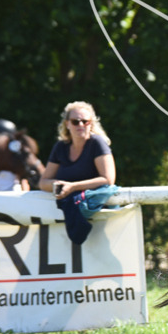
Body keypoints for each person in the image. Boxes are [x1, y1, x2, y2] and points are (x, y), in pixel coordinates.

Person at [39, 101, 119, 243]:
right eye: (75, 121)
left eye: (85, 121)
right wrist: (59, 185)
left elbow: (108, 180)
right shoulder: (60, 147)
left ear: (91, 124)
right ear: (67, 124)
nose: (80, 125)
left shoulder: (97, 143)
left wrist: (72, 187)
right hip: (63, 219)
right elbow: (43, 182)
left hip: (101, 219)